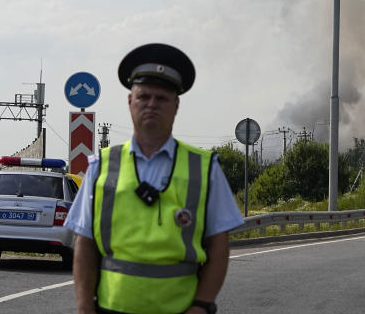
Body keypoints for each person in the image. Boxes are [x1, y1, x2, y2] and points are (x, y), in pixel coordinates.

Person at [66, 43, 244, 314]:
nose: (151, 105)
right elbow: (85, 243)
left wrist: (201, 305)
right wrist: (83, 307)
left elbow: (219, 245)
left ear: (176, 105)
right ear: (130, 101)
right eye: (144, 96)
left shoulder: (205, 167)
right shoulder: (101, 165)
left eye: (161, 98)